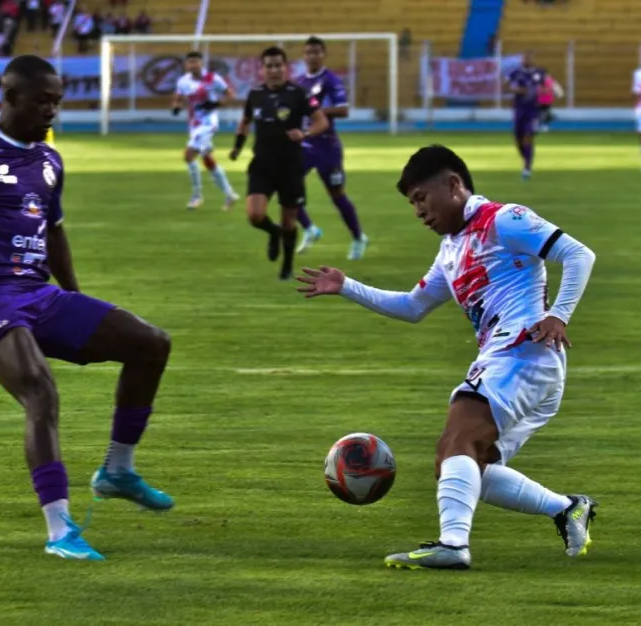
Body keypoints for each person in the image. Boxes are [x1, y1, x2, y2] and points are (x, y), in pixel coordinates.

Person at [0, 55, 174, 562]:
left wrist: (77, 298)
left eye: (57, 101)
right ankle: (59, 529)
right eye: (43, 100)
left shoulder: (50, 159)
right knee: (41, 392)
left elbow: (55, 233)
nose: (52, 110)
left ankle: (117, 471)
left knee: (151, 344)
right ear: (11, 98)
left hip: (41, 296)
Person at [296, 145, 598, 570]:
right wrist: (347, 286)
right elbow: (412, 306)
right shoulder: (451, 250)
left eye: (422, 197)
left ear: (453, 185)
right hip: (519, 362)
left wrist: (557, 315)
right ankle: (567, 508)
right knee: (463, 463)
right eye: (412, 203)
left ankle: (453, 546)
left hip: (522, 352)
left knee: (459, 439)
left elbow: (579, 254)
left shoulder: (503, 219)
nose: (418, 211)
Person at [230, 46, 329, 281]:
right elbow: (245, 122)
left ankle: (287, 264)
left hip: (290, 166)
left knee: (289, 221)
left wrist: (304, 133)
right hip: (262, 164)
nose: (274, 70)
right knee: (255, 215)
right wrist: (237, 147)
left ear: (285, 68)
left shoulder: (299, 93)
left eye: (278, 65)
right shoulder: (255, 94)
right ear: (262, 69)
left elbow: (321, 122)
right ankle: (272, 232)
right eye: (269, 65)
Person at [294, 36, 368, 260]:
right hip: (304, 145)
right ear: (304, 56)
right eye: (309, 52)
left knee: (337, 195)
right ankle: (309, 229)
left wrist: (316, 113)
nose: (313, 56)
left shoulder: (331, 80)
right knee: (287, 187)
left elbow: (343, 110)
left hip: (327, 147)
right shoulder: (298, 83)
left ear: (323, 54)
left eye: (317, 52)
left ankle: (358, 237)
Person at [171, 51, 239, 211]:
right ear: (186, 65)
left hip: (208, 123)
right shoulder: (183, 81)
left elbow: (230, 94)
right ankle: (230, 194)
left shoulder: (212, 78)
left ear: (202, 63)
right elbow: (179, 96)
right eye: (190, 62)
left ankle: (196, 196)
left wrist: (215, 104)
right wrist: (176, 106)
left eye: (196, 62)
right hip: (194, 123)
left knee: (188, 155)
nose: (193, 65)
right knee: (207, 159)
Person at [507, 51, 546, 180]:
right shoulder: (516, 73)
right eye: (525, 58)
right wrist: (518, 90)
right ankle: (526, 158)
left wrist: (542, 95)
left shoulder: (539, 73)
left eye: (530, 58)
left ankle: (527, 167)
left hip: (533, 111)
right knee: (518, 139)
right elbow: (508, 86)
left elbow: (545, 88)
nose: (528, 60)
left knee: (528, 137)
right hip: (519, 110)